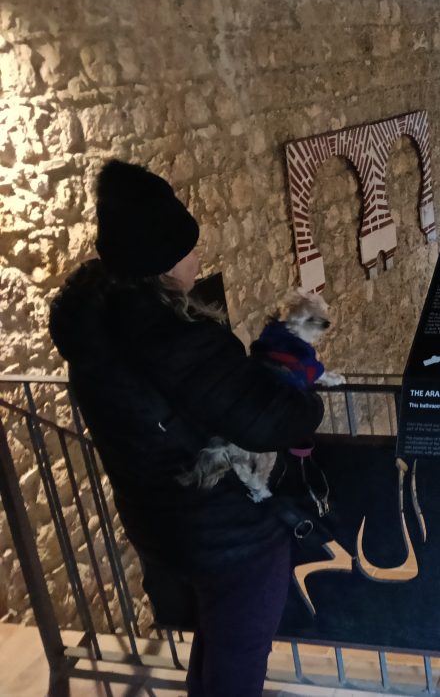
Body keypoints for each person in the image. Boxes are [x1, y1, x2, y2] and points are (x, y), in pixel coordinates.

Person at [49, 160, 324, 697]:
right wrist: (302, 393)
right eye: (187, 250)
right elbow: (268, 421)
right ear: (161, 261)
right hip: (227, 535)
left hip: (160, 523)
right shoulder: (171, 337)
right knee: (238, 664)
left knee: (220, 649)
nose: (197, 259)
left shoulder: (94, 333)